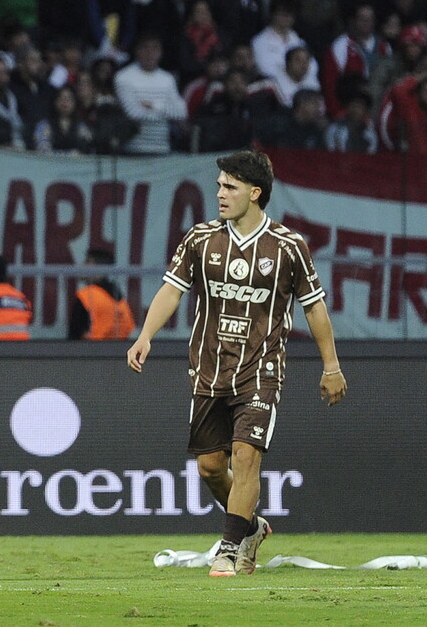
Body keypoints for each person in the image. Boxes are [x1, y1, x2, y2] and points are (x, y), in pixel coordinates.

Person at [126, 149, 347, 577]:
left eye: (230, 186)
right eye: (220, 185)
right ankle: (250, 525)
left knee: (246, 455)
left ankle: (229, 548)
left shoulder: (288, 247)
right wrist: (145, 335)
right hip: (208, 368)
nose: (220, 194)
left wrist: (331, 366)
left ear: (255, 192)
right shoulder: (200, 239)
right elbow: (172, 290)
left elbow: (314, 308)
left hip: (261, 369)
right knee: (211, 466)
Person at [113, 33, 187, 154]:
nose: (150, 53)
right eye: (145, 48)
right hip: (133, 151)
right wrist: (166, 111)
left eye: (155, 48)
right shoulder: (123, 77)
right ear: (137, 51)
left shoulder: (167, 78)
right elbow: (132, 113)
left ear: (161, 52)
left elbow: (181, 112)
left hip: (162, 149)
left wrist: (153, 105)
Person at [68, 248, 135, 341]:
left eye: (87, 262)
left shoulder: (86, 296)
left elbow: (73, 336)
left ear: (99, 268)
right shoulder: (119, 296)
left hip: (93, 350)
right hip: (120, 350)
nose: (82, 266)